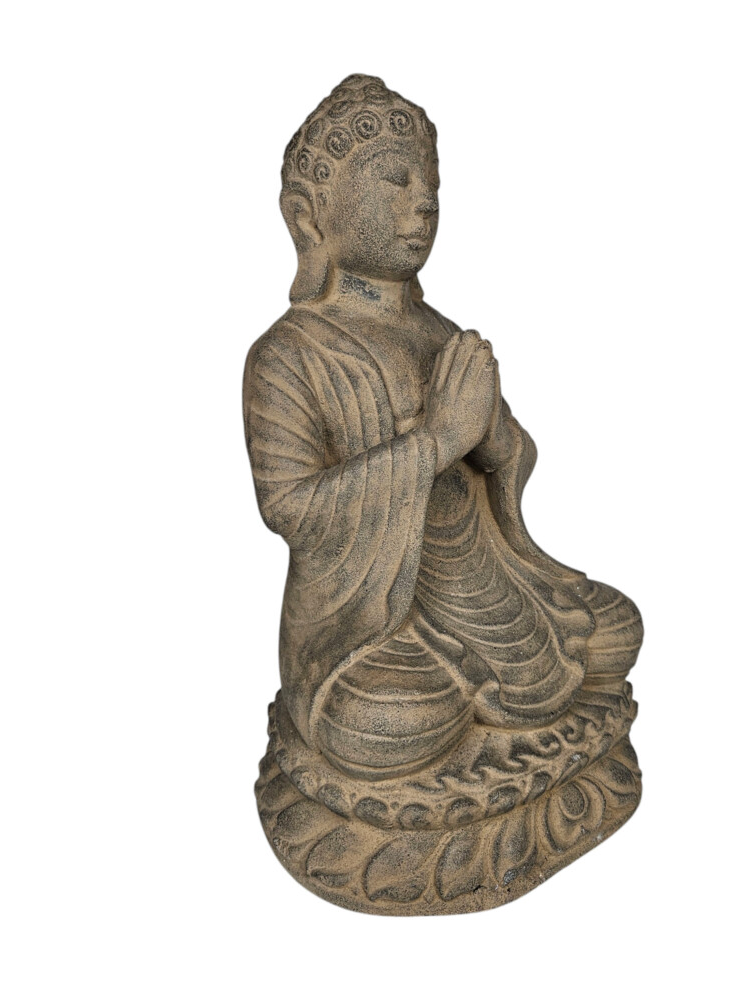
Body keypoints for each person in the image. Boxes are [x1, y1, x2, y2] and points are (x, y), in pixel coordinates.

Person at [244, 75, 642, 780]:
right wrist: (434, 443)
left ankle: (481, 717)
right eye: (394, 180)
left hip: (483, 588)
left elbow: (508, 456)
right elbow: (290, 508)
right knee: (381, 719)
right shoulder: (288, 356)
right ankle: (444, 730)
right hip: (370, 626)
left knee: (614, 629)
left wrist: (494, 443)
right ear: (310, 216)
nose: (422, 200)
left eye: (430, 183)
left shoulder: (443, 334)